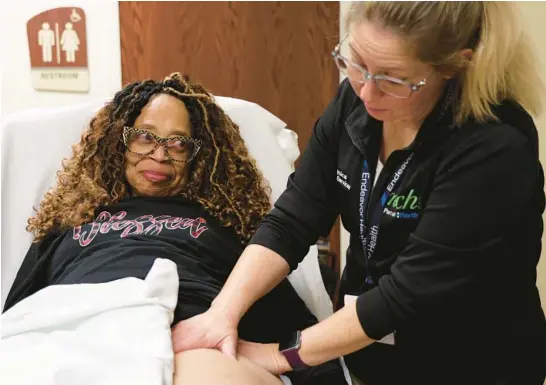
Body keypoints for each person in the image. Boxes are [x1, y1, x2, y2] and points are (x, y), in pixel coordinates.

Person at [171, 2, 546, 385]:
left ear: (454, 66)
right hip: (368, 357)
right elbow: (294, 217)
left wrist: (276, 355)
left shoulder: (494, 149)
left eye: (393, 80)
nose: (367, 91)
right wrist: (222, 314)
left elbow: (404, 297)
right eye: (356, 62)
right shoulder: (357, 103)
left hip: (468, 365)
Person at [3, 73, 347, 385]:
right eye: (143, 137)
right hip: (77, 331)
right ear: (118, 143)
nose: (160, 155)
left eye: (178, 143)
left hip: (191, 341)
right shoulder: (70, 221)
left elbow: (292, 325)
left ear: (199, 156)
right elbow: (20, 318)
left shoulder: (227, 228)